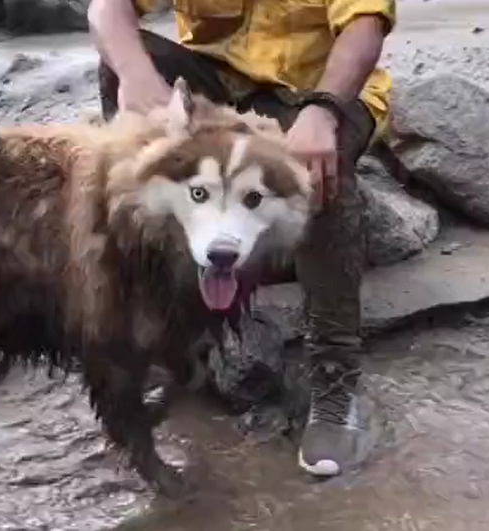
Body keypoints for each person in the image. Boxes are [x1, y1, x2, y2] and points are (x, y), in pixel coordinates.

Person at [87, 0, 395, 478]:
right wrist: (135, 76)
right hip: (218, 79)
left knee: (320, 175)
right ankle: (167, 322)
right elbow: (108, 8)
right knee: (123, 60)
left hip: (314, 94)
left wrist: (325, 109)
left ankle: (335, 385)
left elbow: (366, 23)